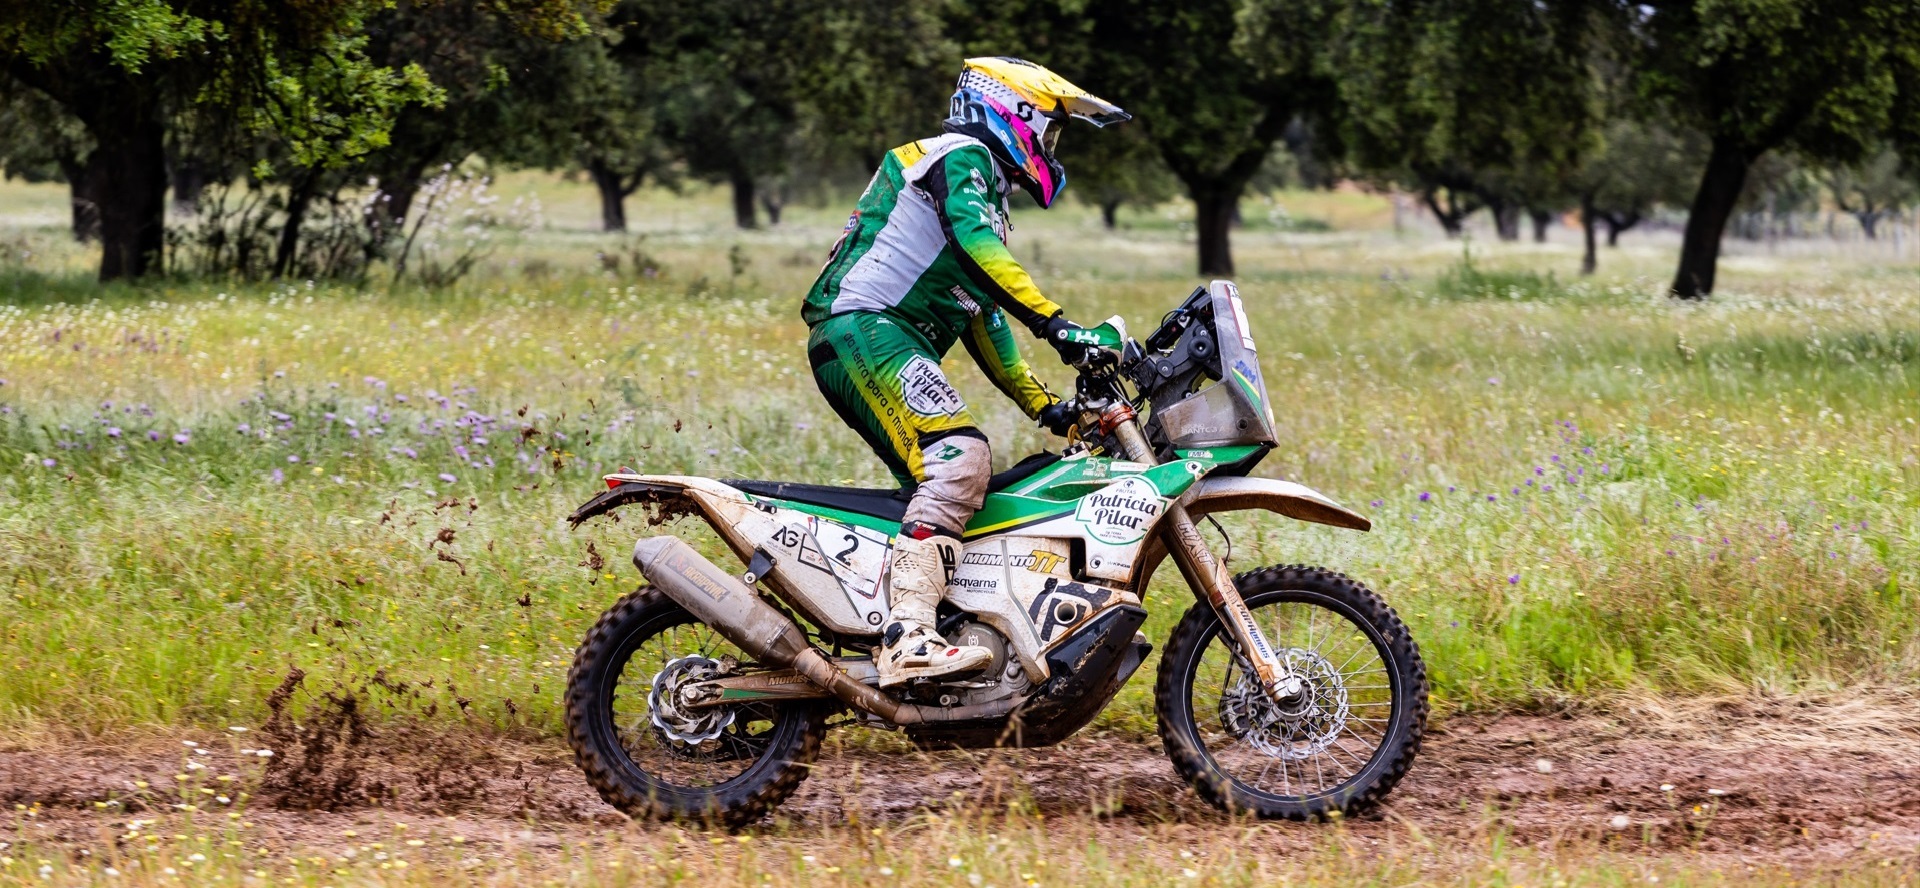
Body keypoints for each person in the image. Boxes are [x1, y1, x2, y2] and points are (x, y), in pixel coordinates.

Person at [800, 57, 1131, 687]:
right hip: (866, 327)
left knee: (956, 496)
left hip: (878, 337)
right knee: (960, 460)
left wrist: (1046, 408)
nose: (1051, 148)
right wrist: (1059, 326)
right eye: (1050, 130)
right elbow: (980, 253)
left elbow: (983, 317)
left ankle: (932, 637)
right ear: (1013, 113)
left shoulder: (980, 186)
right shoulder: (960, 156)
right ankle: (907, 638)